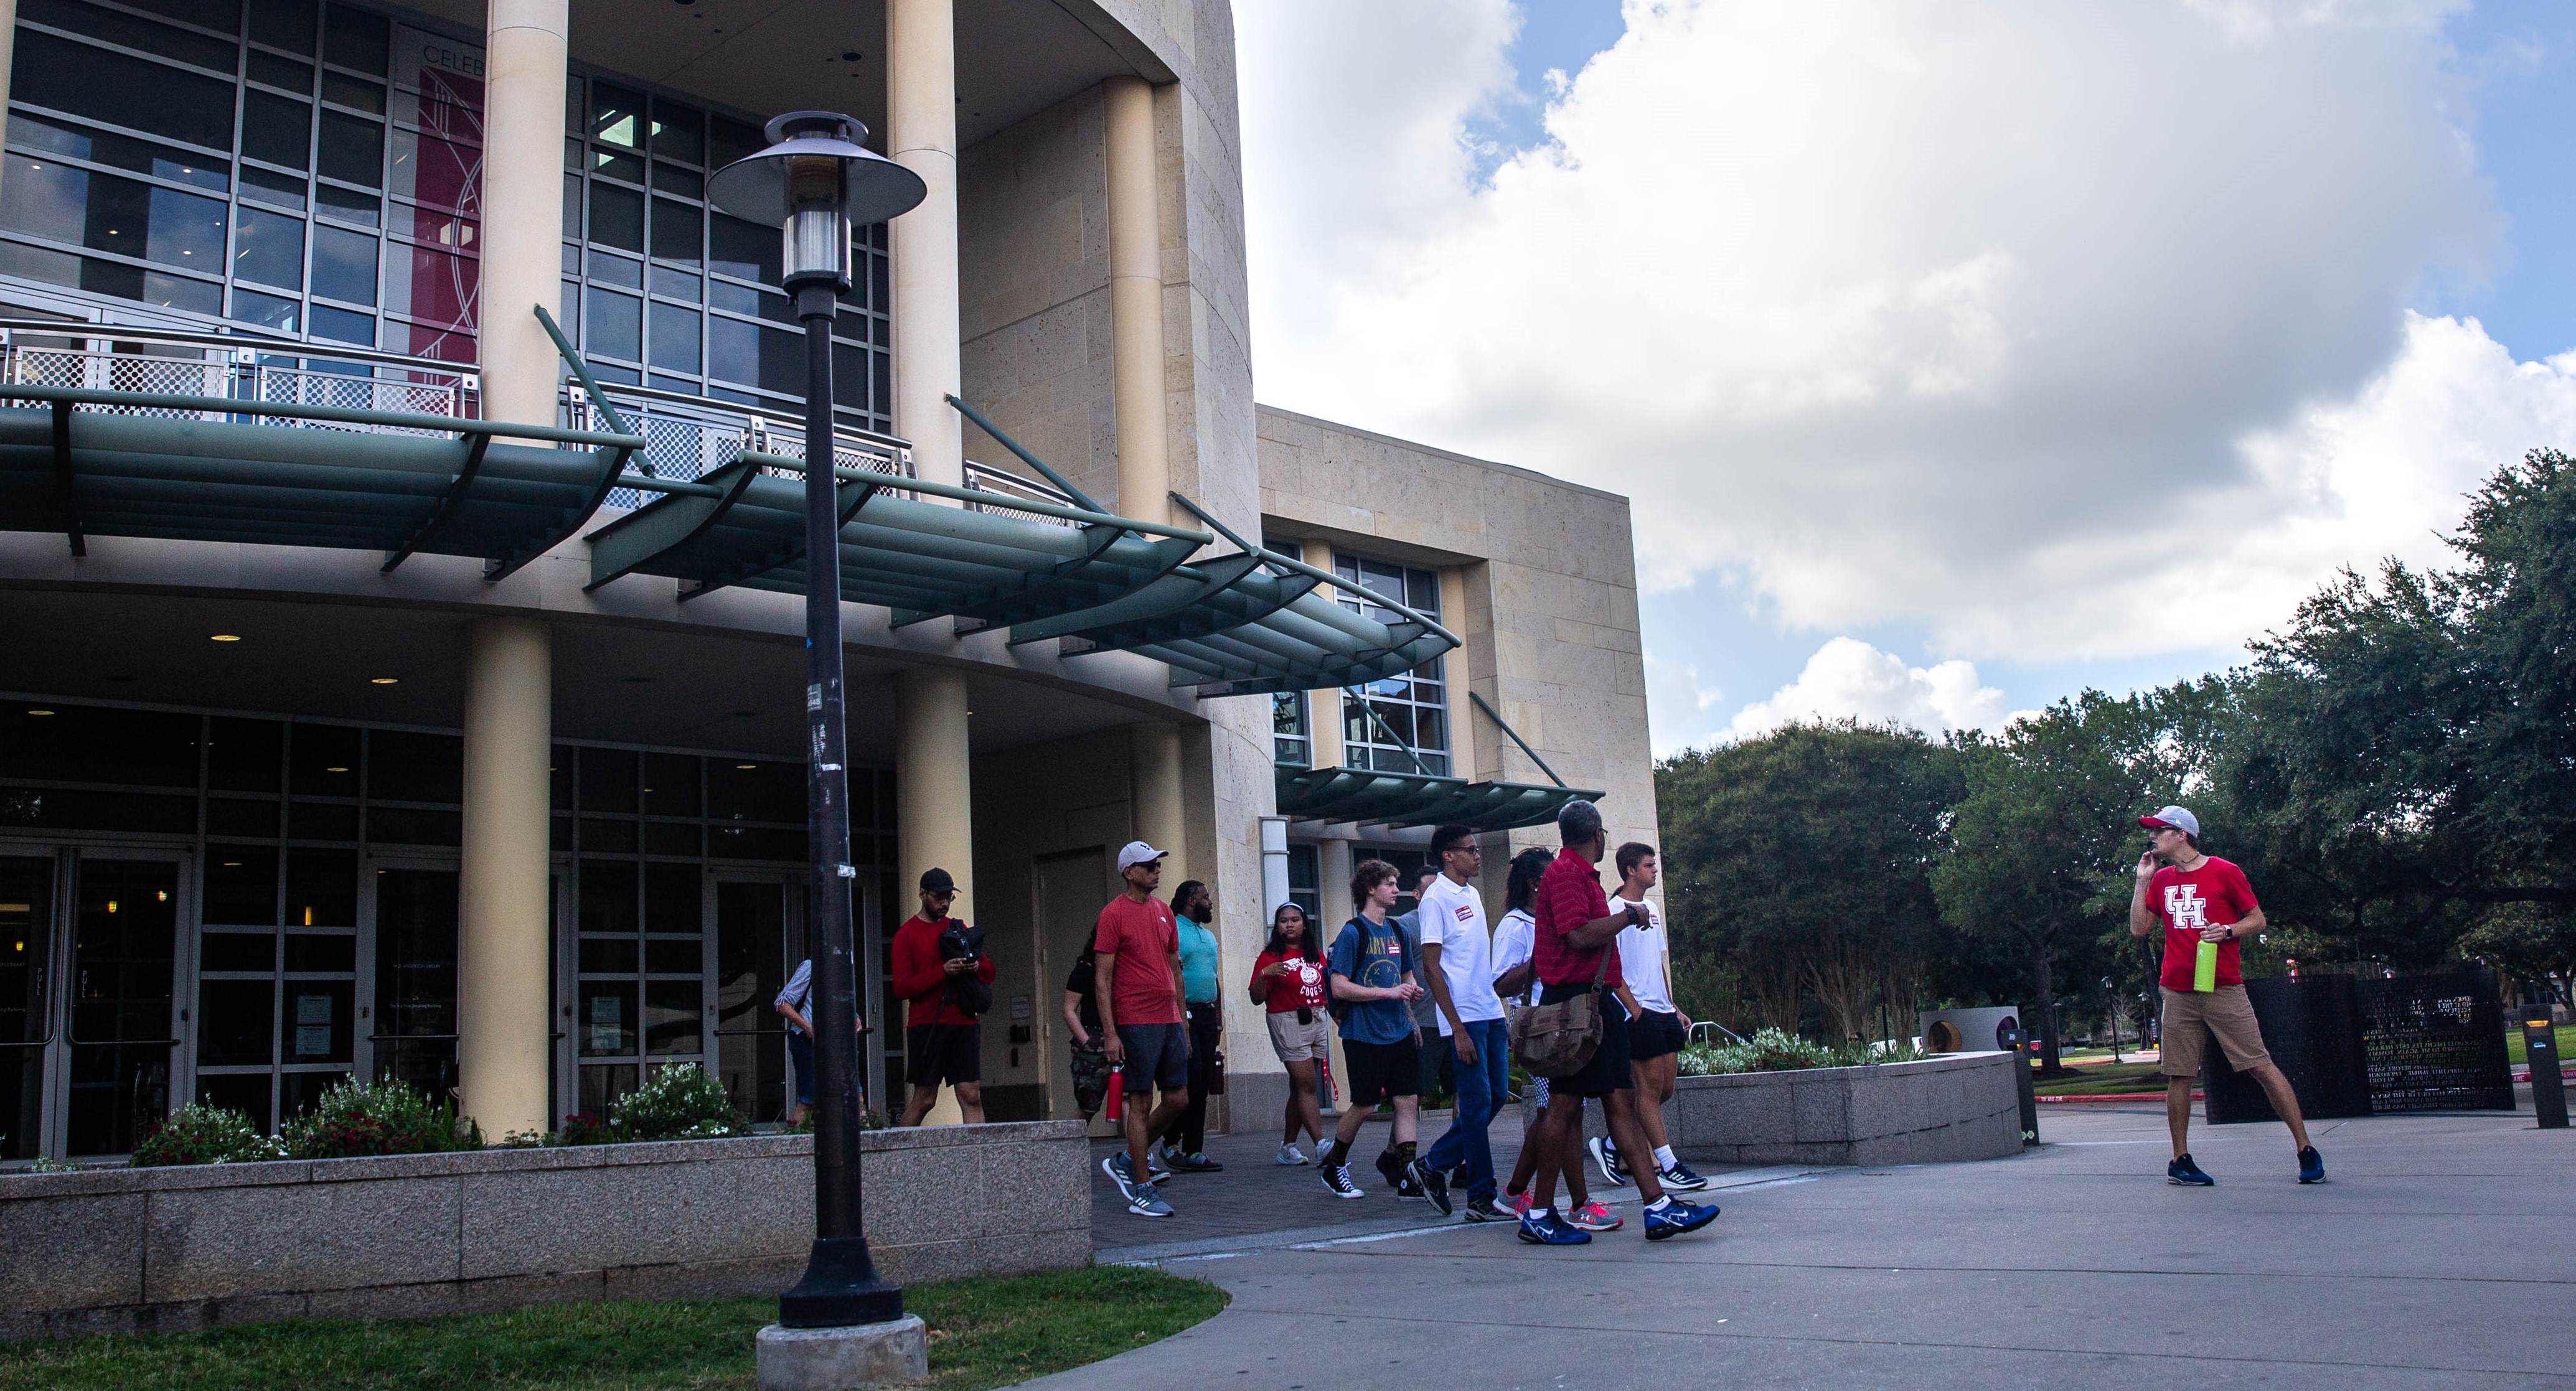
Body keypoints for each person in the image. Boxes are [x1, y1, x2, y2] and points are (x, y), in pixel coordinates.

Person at [1519, 800, 1719, 1245]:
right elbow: (1577, 935)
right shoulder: (1568, 874)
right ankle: (1538, 1210)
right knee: (1564, 1107)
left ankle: (1657, 1205)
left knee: (1620, 1101)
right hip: (1577, 1003)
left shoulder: (1580, 875)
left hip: (1596, 1002)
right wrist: (1627, 916)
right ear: (1597, 835)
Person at [2130, 807, 2325, 1186]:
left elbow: (2258, 918)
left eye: (2158, 831)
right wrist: (2142, 882)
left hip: (2223, 986)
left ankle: (2306, 1149)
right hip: (2179, 989)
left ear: (2182, 834)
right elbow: (2140, 929)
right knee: (2180, 1074)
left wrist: (2229, 931)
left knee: (2260, 1065)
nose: (2152, 837)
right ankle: (2180, 1160)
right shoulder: (2161, 879)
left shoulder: (2224, 871)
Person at [1493, 848, 1610, 1231]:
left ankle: (1514, 1191)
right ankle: (1572, 1202)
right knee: (1560, 1112)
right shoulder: (1515, 925)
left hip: (1563, 1022)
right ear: (1534, 884)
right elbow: (1500, 982)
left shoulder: (1545, 919)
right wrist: (1545, 958)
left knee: (1559, 1112)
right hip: (1540, 1029)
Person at [1319, 858, 1445, 1209]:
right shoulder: (1352, 933)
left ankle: (1407, 1174)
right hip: (1363, 1034)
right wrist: (1388, 993)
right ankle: (1335, 1164)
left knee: (1408, 1101)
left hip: (1400, 1031)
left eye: (1396, 883)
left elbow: (1407, 978)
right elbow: (1340, 987)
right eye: (1389, 884)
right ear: (1371, 889)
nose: (1395, 889)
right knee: (1365, 1104)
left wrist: (1411, 994)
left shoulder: (1398, 931)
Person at [1588, 842, 1710, 1192]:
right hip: (1636, 1013)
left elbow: (1658, 961)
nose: (1655, 870)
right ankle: (1669, 1165)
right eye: (1648, 865)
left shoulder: (1652, 908)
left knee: (1665, 1091)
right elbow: (1612, 968)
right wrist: (1635, 1010)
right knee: (1648, 1092)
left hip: (1662, 1011)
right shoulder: (1614, 910)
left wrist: (1674, 1006)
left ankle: (1612, 1145)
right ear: (1630, 870)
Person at [1415, 825, 1512, 1220]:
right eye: (1470, 850)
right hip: (1464, 1017)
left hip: (1488, 1010)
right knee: (1475, 1105)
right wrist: (1455, 1027)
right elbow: (1432, 967)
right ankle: (1480, 1198)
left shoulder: (1471, 893)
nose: (1477, 855)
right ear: (1448, 856)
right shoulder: (1435, 898)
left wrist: (1499, 1012)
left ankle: (1432, 1164)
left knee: (1499, 1097)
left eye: (1477, 849)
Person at [1095, 840, 1190, 1218]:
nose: (1156, 869)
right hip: (1135, 1019)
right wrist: (1111, 1033)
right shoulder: (1113, 914)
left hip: (1168, 1019)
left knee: (1178, 1099)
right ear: (1128, 872)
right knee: (1140, 1102)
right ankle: (1142, 1189)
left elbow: (1175, 971)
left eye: (1157, 864)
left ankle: (1127, 1158)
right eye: (1148, 865)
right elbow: (1102, 980)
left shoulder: (1165, 912)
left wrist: (1182, 1023)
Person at [891, 868, 995, 1126]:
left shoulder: (958, 929)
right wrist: (943, 972)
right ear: (922, 894)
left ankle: (978, 1160)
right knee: (925, 1098)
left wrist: (975, 967)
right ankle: (903, 1156)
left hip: (963, 1021)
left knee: (971, 1095)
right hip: (927, 1024)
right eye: (939, 897)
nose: (945, 903)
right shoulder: (906, 935)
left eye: (949, 897)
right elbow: (902, 988)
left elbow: (990, 971)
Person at [1250, 901, 1330, 1164]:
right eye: (1284, 921)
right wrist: (1264, 975)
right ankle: (1321, 1144)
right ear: (1278, 926)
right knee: (1307, 1083)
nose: (1289, 925)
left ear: (1304, 923)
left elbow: (1326, 988)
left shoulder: (1315, 954)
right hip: (1286, 1019)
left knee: (1299, 1087)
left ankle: (1288, 1147)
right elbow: (1256, 998)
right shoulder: (1271, 957)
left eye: (1295, 920)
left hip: (1317, 1018)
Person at [1161, 879, 1226, 1173]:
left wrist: (1219, 1015)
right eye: (1205, 897)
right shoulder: (1172, 928)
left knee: (1202, 1084)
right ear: (1190, 899)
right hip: (1181, 1014)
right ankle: (1169, 1141)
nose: (1210, 902)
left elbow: (1213, 978)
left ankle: (1194, 1151)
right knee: (1191, 1079)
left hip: (1206, 1015)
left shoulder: (1208, 936)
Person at [774, 956, 868, 1126]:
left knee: (856, 1095)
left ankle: (865, 1143)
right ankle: (796, 1143)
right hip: (807, 1039)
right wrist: (807, 1027)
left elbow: (840, 1000)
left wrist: (854, 1017)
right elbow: (782, 1004)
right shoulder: (811, 967)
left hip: (837, 1040)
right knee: (809, 1099)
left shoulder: (845, 965)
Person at [1393, 864, 1449, 1103]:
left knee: (1464, 1091)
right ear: (1416, 895)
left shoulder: (1454, 918)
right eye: (1432, 889)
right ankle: (1401, 1141)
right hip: (1425, 1022)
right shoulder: (1406, 926)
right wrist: (1409, 1019)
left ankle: (1462, 1142)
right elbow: (1398, 972)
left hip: (1457, 1019)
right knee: (1418, 1094)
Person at [1062, 940, 1112, 1124]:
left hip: (1121, 1036)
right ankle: (1067, 1150)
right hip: (1093, 1038)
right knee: (1088, 1105)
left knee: (1129, 1099)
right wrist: (1087, 1042)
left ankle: (1135, 1152)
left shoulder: (1122, 968)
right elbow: (1069, 1010)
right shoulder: (1085, 970)